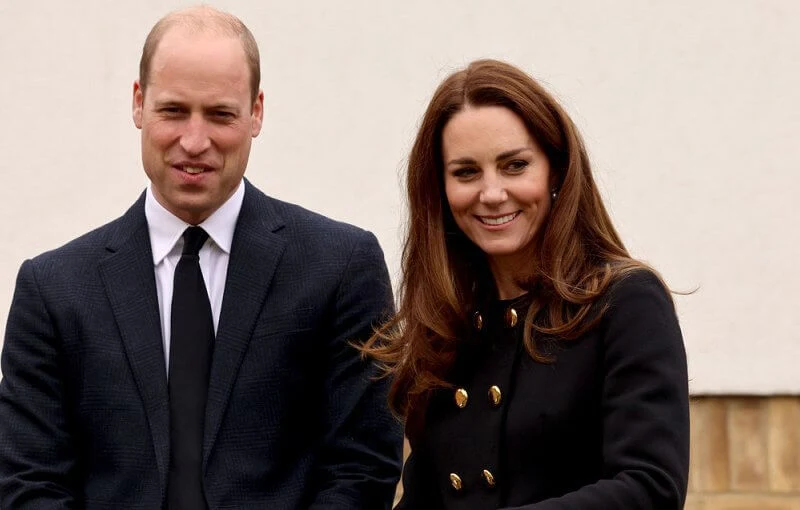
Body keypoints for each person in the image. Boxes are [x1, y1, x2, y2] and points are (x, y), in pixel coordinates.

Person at [0, 6, 402, 509]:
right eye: (173, 111)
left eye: (220, 114)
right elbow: (30, 482)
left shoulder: (341, 267)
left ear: (256, 112)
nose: (195, 141)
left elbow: (363, 469)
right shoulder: (53, 289)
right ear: (138, 104)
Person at [362, 59, 690, 509]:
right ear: (439, 188)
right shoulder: (447, 326)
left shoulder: (624, 300)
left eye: (514, 165)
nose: (492, 193)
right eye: (466, 172)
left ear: (555, 170)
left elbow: (649, 487)